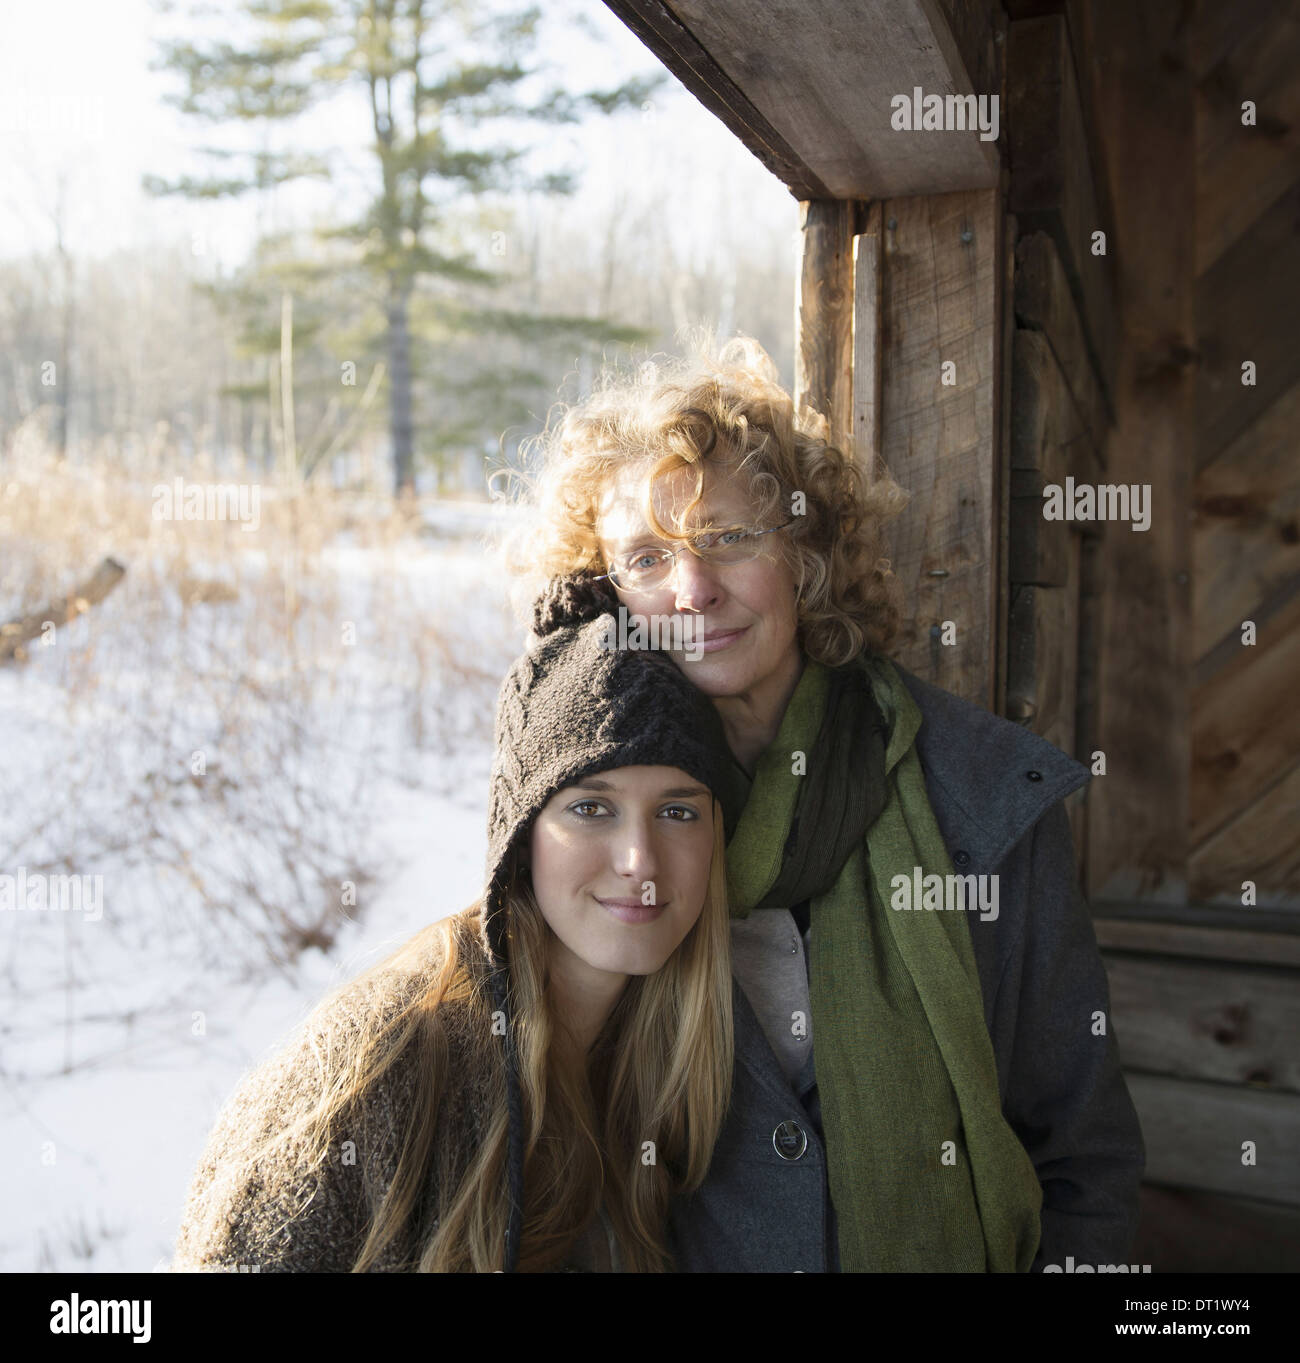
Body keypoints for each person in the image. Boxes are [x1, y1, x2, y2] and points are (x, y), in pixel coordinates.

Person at [510, 332, 1146, 1272]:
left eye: (729, 538)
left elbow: (1082, 1152)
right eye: (646, 558)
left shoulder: (980, 796)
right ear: (607, 593)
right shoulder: (592, 816)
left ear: (802, 552)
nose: (693, 589)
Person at [171, 574, 744, 1272]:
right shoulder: (382, 1068)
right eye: (591, 807)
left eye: (677, 810)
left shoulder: (677, 1074)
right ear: (521, 836)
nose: (639, 857)